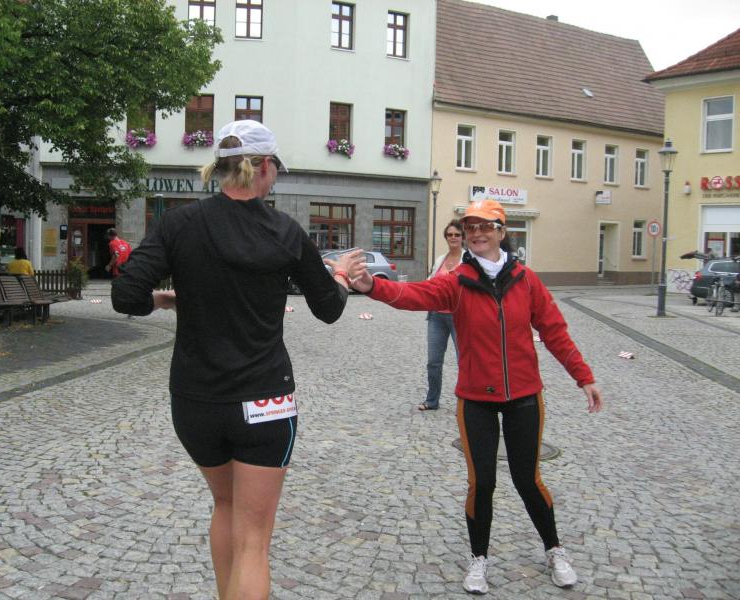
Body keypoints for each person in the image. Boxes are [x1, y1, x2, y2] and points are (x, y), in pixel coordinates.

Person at [111, 120, 366, 600]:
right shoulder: (286, 231)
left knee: (225, 506)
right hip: (265, 401)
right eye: (276, 168)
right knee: (253, 541)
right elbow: (328, 310)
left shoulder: (180, 223)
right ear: (265, 166)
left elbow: (126, 295)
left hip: (196, 402)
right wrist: (340, 277)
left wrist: (162, 301)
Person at [351, 199, 603, 594]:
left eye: (485, 226)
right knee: (481, 483)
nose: (477, 233)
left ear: (502, 231)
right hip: (475, 399)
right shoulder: (457, 281)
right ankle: (478, 559)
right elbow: (414, 294)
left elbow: (554, 331)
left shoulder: (526, 280)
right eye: (471, 227)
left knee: (527, 480)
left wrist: (583, 377)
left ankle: (555, 550)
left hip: (524, 396)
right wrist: (371, 286)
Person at [419, 219, 463, 411]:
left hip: (459, 317)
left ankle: (466, 404)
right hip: (437, 315)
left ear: (462, 237)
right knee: (433, 361)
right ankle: (432, 400)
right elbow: (430, 283)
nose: (453, 238)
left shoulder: (468, 260)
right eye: (450, 235)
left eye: (457, 235)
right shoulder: (440, 260)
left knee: (464, 361)